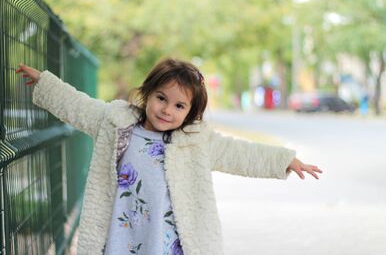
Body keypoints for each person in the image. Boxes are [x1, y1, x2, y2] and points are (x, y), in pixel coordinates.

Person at [16, 58, 322, 255]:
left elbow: (239, 151)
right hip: (122, 236)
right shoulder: (115, 121)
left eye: (179, 106)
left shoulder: (195, 140)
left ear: (190, 112)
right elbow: (79, 106)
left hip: (168, 242)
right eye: (161, 98)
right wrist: (46, 83)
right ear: (147, 93)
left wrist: (284, 160)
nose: (167, 109)